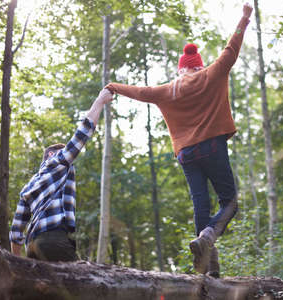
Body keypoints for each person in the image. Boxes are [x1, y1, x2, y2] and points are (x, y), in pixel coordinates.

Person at [105, 3, 253, 277]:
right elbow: (231, 48)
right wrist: (243, 18)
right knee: (229, 202)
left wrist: (114, 87)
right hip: (213, 147)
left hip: (186, 154)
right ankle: (208, 236)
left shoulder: (168, 90)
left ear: (182, 69)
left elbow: (142, 91)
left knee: (200, 205)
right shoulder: (213, 73)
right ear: (198, 66)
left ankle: (209, 266)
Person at [9, 88, 113, 262]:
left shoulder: (29, 186)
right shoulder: (58, 161)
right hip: (52, 240)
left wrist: (17, 264)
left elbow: (16, 230)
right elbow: (82, 133)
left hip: (32, 246)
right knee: (83, 284)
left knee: (49, 289)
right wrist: (100, 101)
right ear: (52, 155)